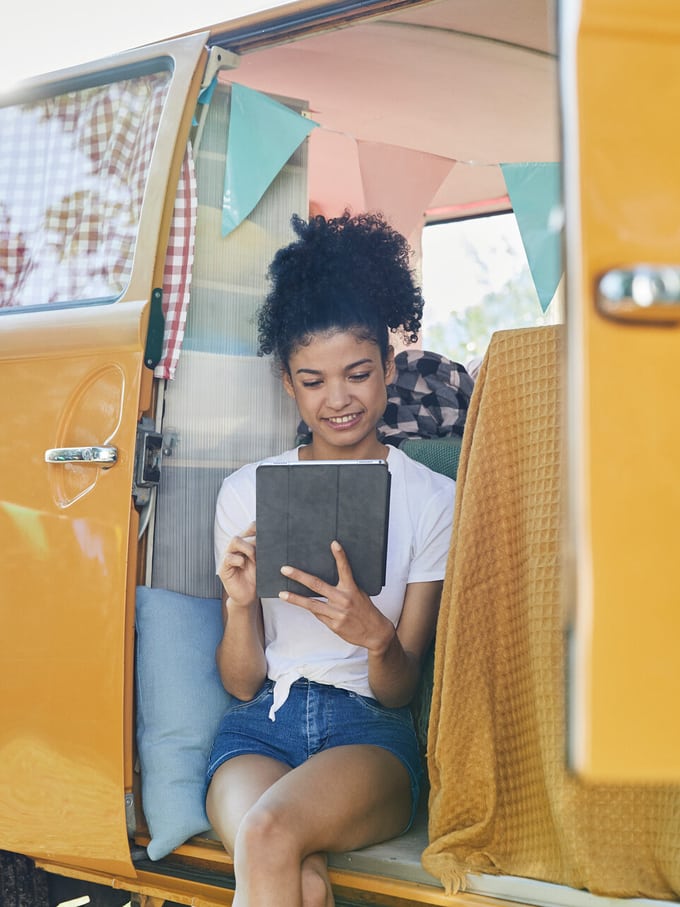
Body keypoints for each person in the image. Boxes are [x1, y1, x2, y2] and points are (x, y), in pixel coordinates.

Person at [206, 211, 456, 907]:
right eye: (313, 381)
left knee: (267, 839)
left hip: (367, 734)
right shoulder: (245, 492)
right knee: (298, 879)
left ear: (387, 368)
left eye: (357, 373)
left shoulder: (434, 498)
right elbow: (240, 680)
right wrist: (237, 603)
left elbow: (400, 688)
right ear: (288, 383)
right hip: (261, 726)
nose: (338, 399)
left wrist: (373, 633)